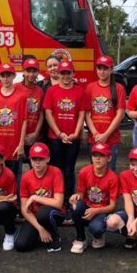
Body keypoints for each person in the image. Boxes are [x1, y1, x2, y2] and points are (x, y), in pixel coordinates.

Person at [43, 60, 86, 205]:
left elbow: (81, 114)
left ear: (73, 74)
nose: (66, 76)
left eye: (68, 73)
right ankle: (56, 200)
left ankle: (68, 200)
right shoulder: (51, 90)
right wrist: (59, 133)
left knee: (69, 170)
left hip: (73, 137)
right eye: (63, 73)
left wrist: (76, 133)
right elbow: (48, 114)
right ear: (58, 74)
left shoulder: (80, 91)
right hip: (55, 137)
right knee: (56, 170)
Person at [15, 142, 66, 252]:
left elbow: (58, 203)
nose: (37, 162)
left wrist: (34, 197)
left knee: (43, 213)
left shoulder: (56, 172)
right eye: (34, 159)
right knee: (21, 245)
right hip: (35, 216)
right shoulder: (26, 177)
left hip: (54, 213)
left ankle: (55, 235)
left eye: (41, 159)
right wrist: (40, 229)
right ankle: (42, 232)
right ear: (30, 160)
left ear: (48, 159)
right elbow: (24, 208)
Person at [69, 143, 119, 253]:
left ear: (109, 158)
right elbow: (81, 194)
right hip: (87, 205)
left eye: (101, 155)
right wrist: (75, 196)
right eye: (95, 155)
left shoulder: (113, 178)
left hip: (102, 210)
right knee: (75, 206)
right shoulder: (84, 171)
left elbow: (113, 206)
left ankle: (98, 235)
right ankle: (80, 238)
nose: (97, 158)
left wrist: (96, 211)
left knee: (96, 228)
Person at [83, 55, 126, 170]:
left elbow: (120, 114)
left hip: (111, 139)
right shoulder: (90, 88)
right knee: (95, 172)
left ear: (111, 70)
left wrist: (106, 135)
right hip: (94, 139)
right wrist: (96, 134)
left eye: (105, 68)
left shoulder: (118, 88)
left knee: (109, 172)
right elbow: (86, 114)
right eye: (99, 68)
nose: (102, 71)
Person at [0, 63, 28, 179]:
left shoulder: (21, 96)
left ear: (14, 76)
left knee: (13, 177)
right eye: (3, 76)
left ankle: (14, 197)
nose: (6, 78)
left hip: (14, 144)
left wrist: (21, 144)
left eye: (9, 75)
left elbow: (24, 121)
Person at [17, 58, 45, 157]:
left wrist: (35, 133)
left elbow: (41, 114)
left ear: (38, 72)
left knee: (35, 165)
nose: (31, 74)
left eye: (34, 71)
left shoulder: (40, 91)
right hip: (17, 135)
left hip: (33, 136)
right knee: (17, 168)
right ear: (23, 72)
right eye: (28, 71)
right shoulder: (15, 88)